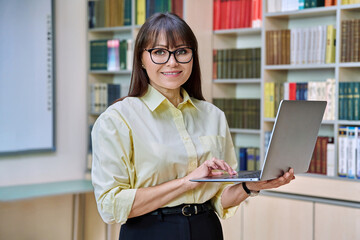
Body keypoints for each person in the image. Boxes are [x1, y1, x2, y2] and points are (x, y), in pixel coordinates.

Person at [91, 12, 295, 240]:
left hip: (206, 229)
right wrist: (186, 182)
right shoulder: (117, 119)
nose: (172, 62)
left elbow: (218, 198)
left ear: (192, 56)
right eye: (159, 52)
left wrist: (251, 186)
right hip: (150, 231)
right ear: (141, 58)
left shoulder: (213, 116)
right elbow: (110, 206)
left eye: (182, 52)